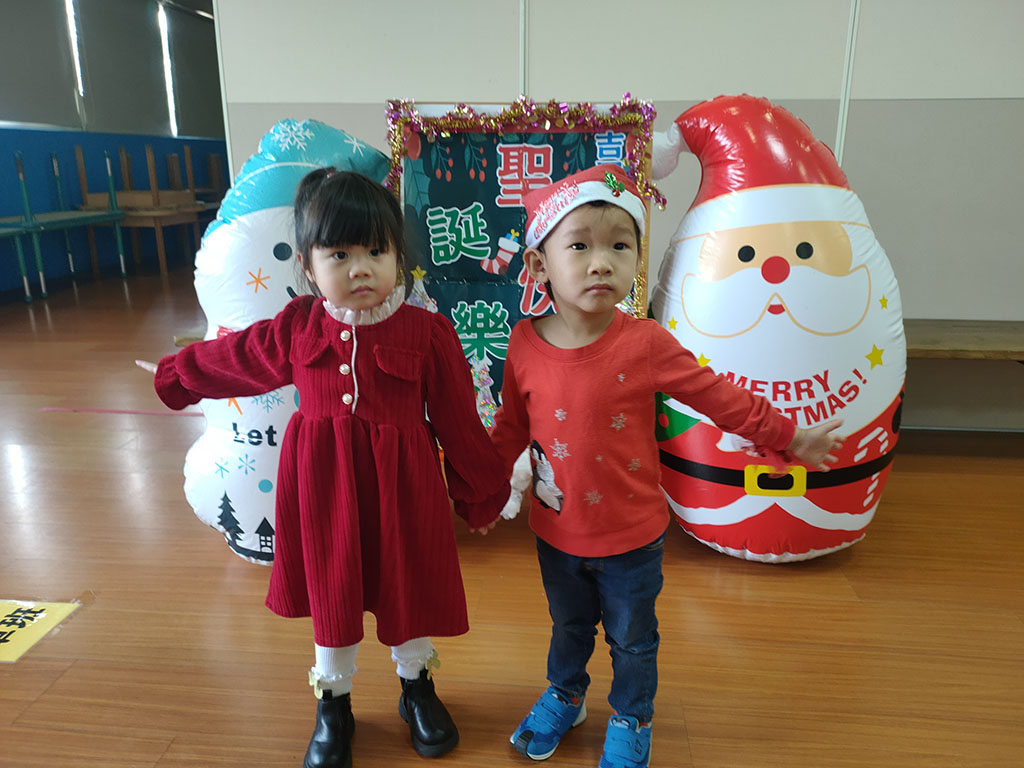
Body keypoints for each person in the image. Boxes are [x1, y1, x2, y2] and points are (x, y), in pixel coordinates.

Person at [138, 169, 508, 768]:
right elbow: (240, 356)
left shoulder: (428, 333)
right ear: (309, 266)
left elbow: (459, 422)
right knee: (334, 590)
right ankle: (333, 702)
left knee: (406, 583)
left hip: (403, 490)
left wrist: (479, 494)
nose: (360, 268)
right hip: (323, 487)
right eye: (340, 254)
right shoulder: (299, 326)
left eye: (376, 252)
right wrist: (180, 373)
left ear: (398, 257)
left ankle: (417, 686)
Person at [489, 164, 844, 768]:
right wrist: (481, 493)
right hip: (556, 532)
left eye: (619, 246)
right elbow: (510, 430)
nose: (601, 263)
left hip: (632, 538)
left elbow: (718, 397)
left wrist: (790, 437)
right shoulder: (524, 343)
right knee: (568, 625)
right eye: (580, 246)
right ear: (538, 265)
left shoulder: (645, 342)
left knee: (632, 640)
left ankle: (632, 715)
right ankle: (567, 694)